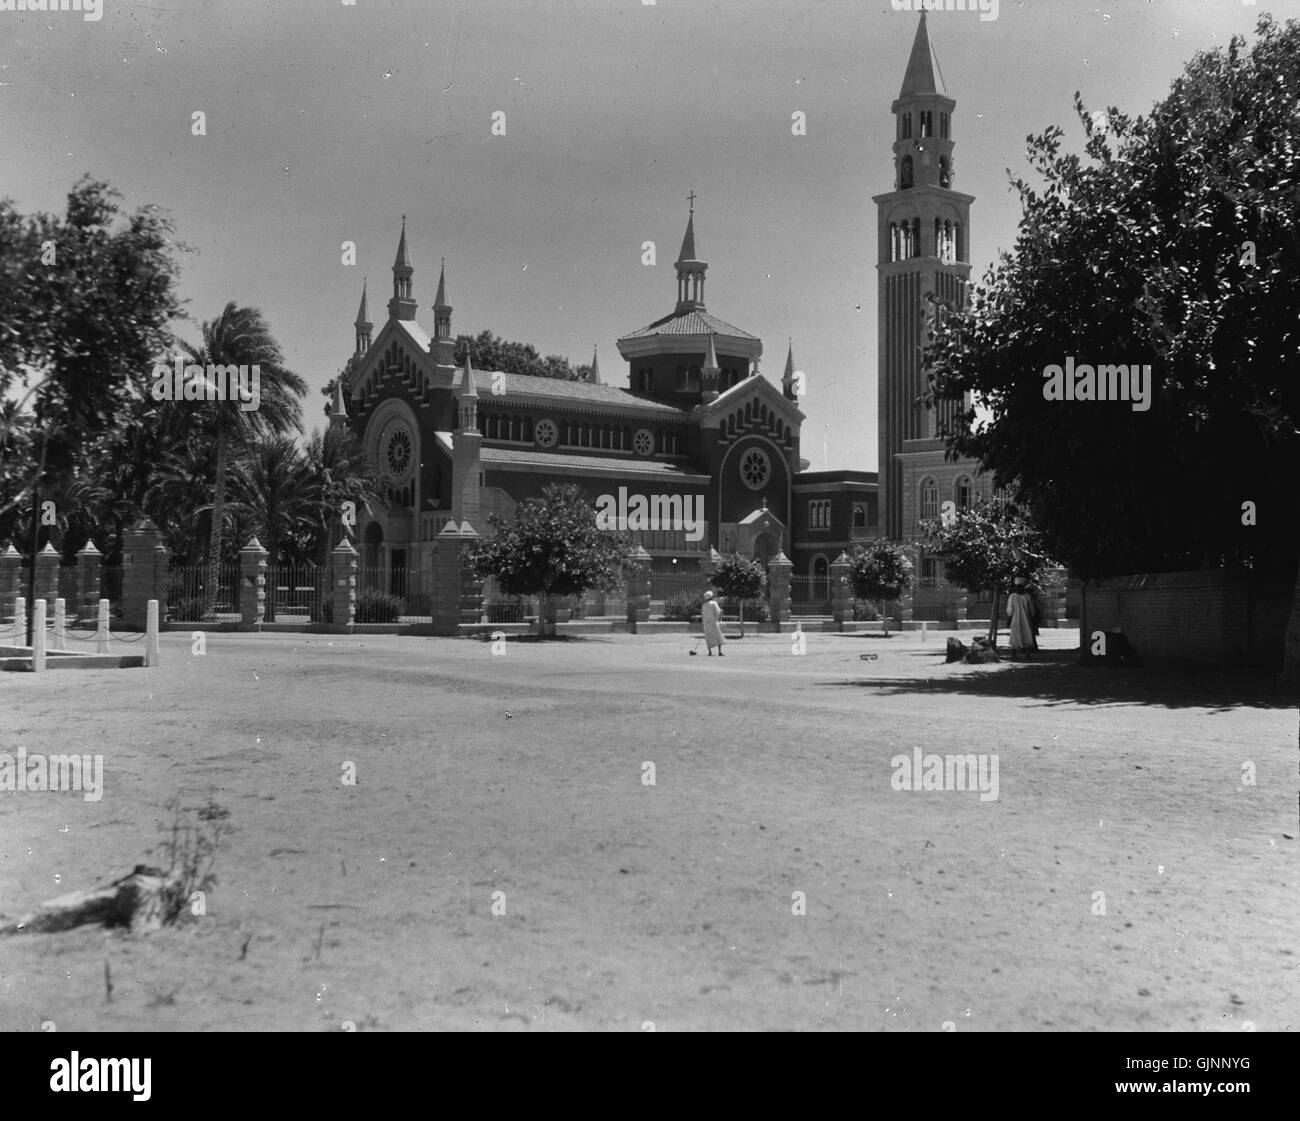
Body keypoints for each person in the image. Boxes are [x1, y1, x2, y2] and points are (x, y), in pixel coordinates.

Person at [1006, 577, 1036, 661]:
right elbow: (1032, 611)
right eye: (1017, 586)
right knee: (1018, 635)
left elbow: (1009, 610)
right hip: (1020, 619)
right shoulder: (1015, 596)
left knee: (1024, 635)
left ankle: (1025, 654)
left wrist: (1009, 618)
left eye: (1020, 586)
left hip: (1021, 619)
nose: (1018, 588)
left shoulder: (1024, 597)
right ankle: (1015, 653)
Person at [701, 590, 724, 656]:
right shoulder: (714, 603)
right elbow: (718, 612)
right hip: (714, 622)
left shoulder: (704, 605)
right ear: (711, 597)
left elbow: (703, 615)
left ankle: (710, 652)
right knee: (718, 637)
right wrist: (721, 612)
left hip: (706, 623)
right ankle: (720, 652)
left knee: (708, 638)